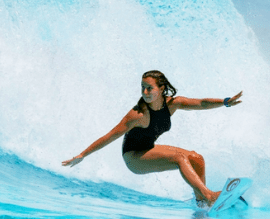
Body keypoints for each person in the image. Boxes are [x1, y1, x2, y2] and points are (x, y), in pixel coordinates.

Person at [62, 70, 242, 206]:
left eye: (150, 88)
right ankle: (209, 196)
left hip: (148, 149)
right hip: (134, 158)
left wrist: (225, 102)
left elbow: (201, 103)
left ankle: (201, 202)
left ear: (161, 89)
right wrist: (83, 154)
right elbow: (111, 135)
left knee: (197, 158)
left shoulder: (172, 104)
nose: (145, 92)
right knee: (180, 158)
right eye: (143, 88)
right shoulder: (138, 114)